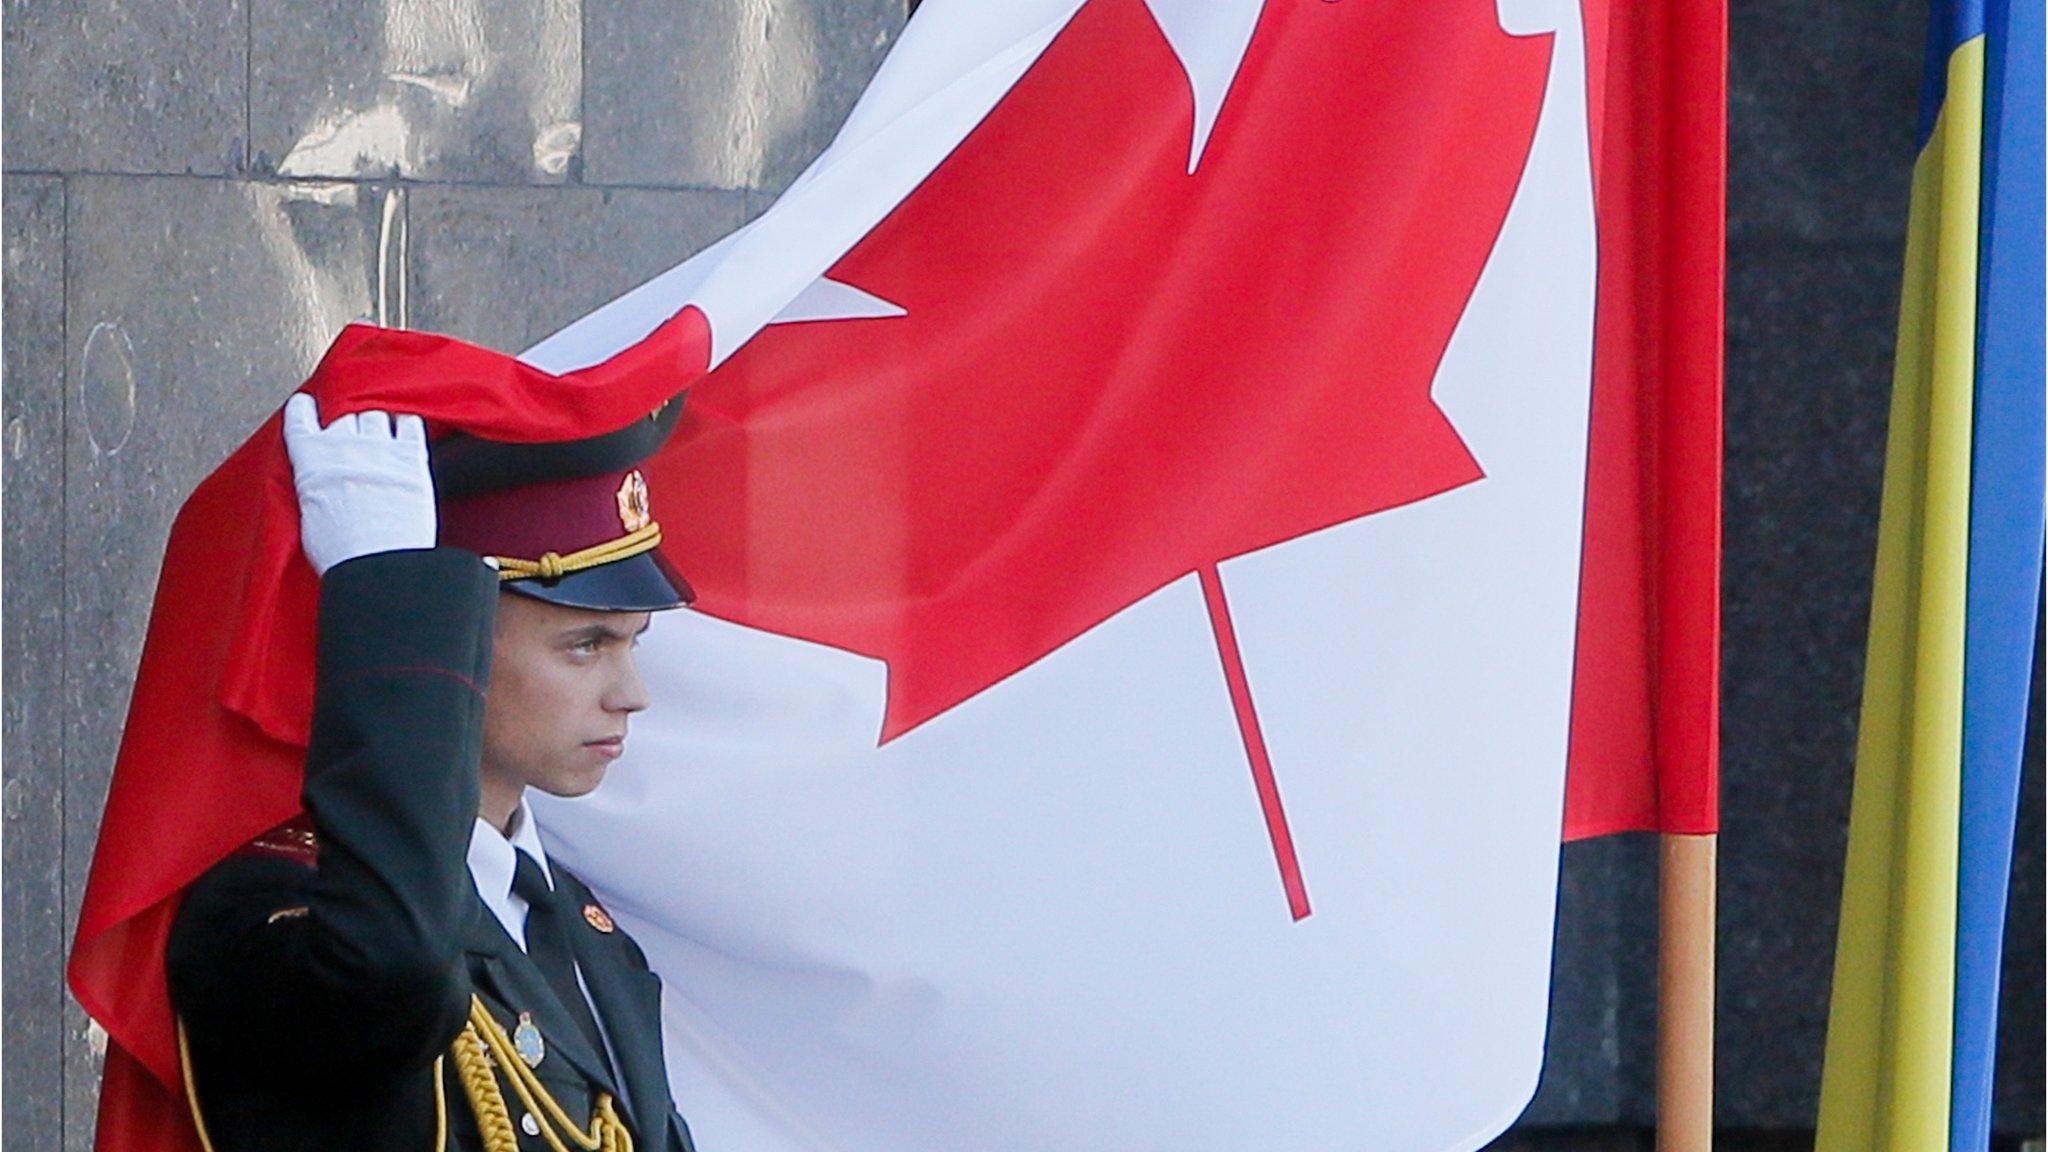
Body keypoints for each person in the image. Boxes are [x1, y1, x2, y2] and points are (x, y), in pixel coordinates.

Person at [165, 393, 698, 1152]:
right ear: (457, 646)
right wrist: (390, 589)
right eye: (585, 645)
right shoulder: (281, 908)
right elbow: (393, 968)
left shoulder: (582, 930)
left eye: (631, 643)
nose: (631, 695)